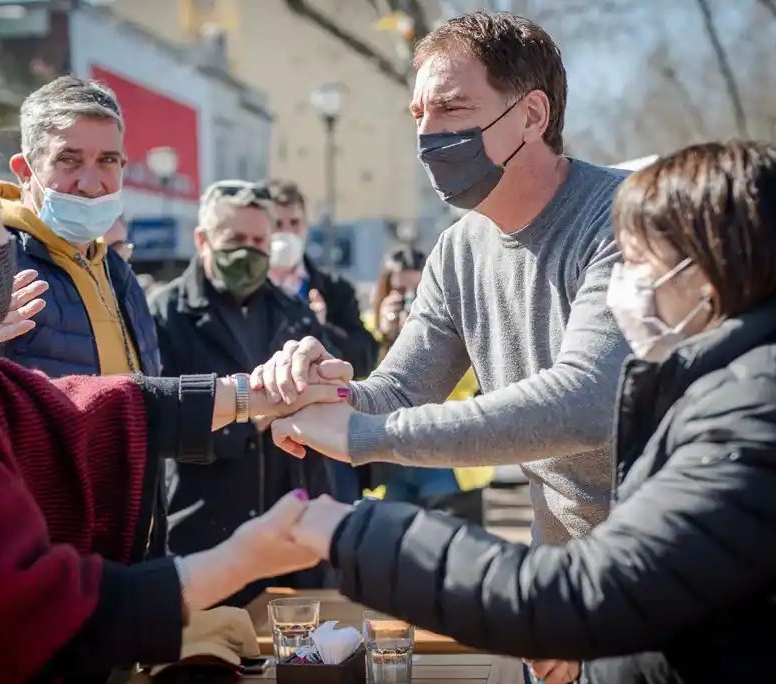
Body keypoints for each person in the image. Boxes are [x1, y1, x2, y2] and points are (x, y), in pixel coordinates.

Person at [0, 100, 336, 684]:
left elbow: (91, 410)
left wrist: (256, 394)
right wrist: (237, 561)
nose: (5, 219)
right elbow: (29, 615)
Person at [285, 141, 776, 684]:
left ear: (706, 272)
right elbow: (654, 585)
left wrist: (350, 533)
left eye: (640, 262)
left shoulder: (773, 405)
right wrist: (332, 397)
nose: (624, 286)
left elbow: (598, 589)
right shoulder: (736, 382)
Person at [254, 12, 630, 545]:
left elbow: (586, 404)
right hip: (565, 563)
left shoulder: (627, 217)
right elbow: (400, 391)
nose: (427, 134)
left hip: (679, 563)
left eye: (452, 108)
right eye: (419, 114)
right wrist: (320, 393)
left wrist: (361, 434)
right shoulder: (458, 250)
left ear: (532, 115)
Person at [148, 180, 336, 607]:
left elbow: (327, 398)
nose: (247, 252)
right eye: (235, 239)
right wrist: (250, 417)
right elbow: (157, 418)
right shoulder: (165, 314)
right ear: (203, 240)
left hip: (293, 537)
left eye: (258, 241)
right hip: (206, 539)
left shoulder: (295, 313)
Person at [0, 75, 160, 378]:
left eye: (107, 161)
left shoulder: (120, 275)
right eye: (69, 159)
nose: (91, 185)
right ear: (25, 171)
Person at [264, 178, 378, 503]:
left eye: (294, 223)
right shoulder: (246, 294)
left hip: (328, 443)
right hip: (268, 442)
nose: (287, 232)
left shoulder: (335, 289)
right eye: (277, 224)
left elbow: (365, 356)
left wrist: (322, 327)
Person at [362, 247, 494, 512]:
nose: (409, 299)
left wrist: (423, 343)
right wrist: (386, 339)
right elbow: (360, 390)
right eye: (399, 292)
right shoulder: (367, 330)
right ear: (384, 293)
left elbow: (471, 381)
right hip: (390, 457)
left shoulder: (451, 325)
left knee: (448, 531)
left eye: (416, 291)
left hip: (444, 451)